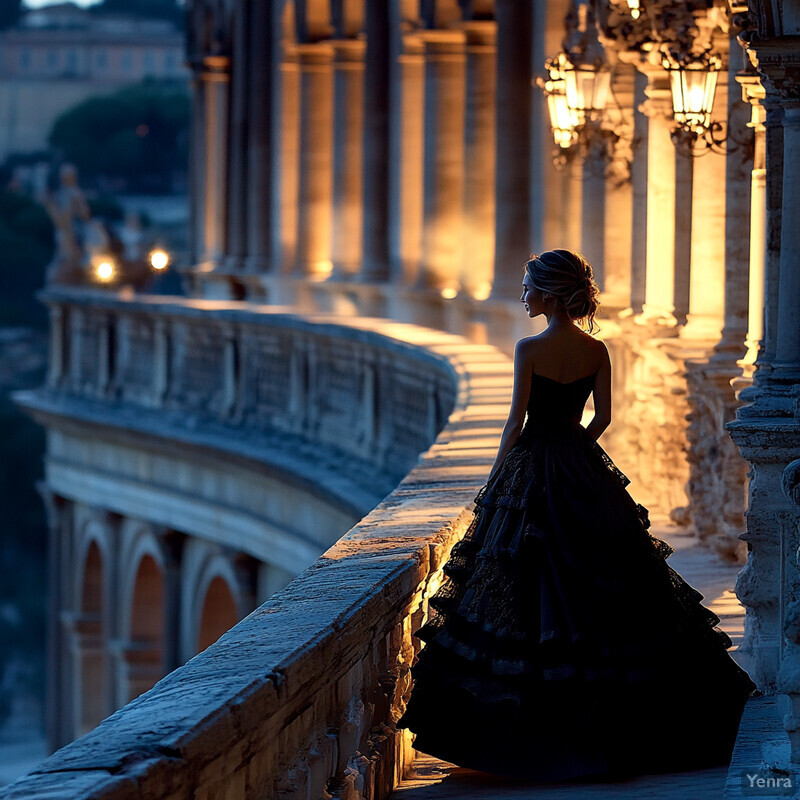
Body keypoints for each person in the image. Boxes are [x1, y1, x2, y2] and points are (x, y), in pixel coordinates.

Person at [395, 249, 758, 783]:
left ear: (549, 293)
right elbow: (604, 416)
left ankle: (534, 744)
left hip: (534, 464)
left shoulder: (529, 348)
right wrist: (577, 451)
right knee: (609, 584)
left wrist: (499, 476)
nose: (523, 297)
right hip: (578, 462)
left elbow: (515, 420)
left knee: (525, 583)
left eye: (528, 288)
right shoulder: (596, 349)